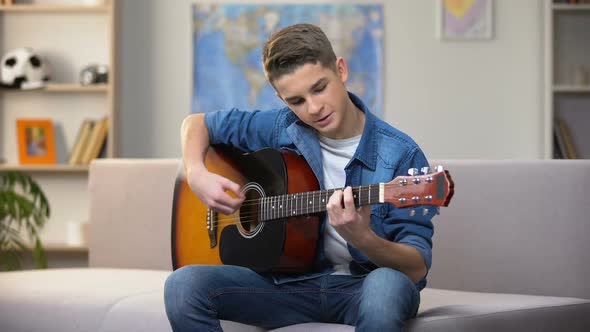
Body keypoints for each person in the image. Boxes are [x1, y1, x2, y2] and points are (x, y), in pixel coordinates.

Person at [164, 23, 435, 331]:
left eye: (320, 88)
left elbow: (415, 269)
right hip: (289, 286)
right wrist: (197, 172)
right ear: (282, 100)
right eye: (297, 101)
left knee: (387, 285)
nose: (314, 108)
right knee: (182, 285)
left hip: (364, 289)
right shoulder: (283, 126)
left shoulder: (401, 154)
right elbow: (196, 124)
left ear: (341, 70)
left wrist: (363, 238)